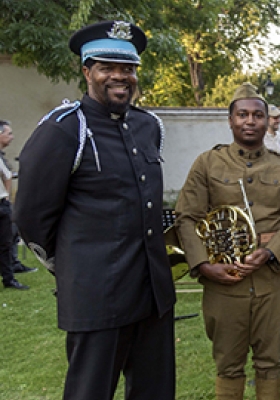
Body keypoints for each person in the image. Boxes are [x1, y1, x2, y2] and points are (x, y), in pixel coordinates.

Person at [15, 21, 176, 399]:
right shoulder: (65, 127)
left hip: (152, 291)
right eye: (107, 67)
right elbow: (32, 216)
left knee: (156, 391)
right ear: (87, 72)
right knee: (91, 392)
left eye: (128, 69)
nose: (120, 77)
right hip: (97, 295)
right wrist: (73, 266)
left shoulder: (148, 125)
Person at [174, 82, 280, 399]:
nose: (249, 121)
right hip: (223, 283)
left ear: (267, 120)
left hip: (272, 282)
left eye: (257, 115)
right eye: (242, 114)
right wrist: (203, 265)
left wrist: (272, 251)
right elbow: (186, 217)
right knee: (228, 365)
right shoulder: (207, 163)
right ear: (230, 120)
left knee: (271, 363)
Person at [0, 120, 37, 275]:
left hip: (3, 201)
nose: (12, 137)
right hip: (2, 202)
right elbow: (7, 176)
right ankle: (10, 272)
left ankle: (12, 268)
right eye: (9, 133)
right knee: (7, 238)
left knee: (10, 236)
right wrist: (7, 196)